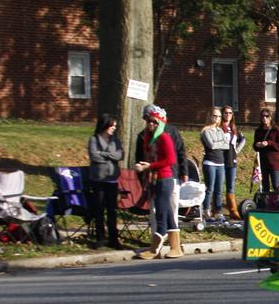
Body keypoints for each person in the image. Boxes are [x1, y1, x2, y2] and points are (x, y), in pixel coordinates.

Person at [134, 107, 187, 258]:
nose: (150, 124)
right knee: (169, 214)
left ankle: (154, 249)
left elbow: (171, 160)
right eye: (148, 121)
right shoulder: (148, 138)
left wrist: (149, 166)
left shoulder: (164, 137)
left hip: (165, 179)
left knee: (161, 214)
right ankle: (176, 248)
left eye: (153, 121)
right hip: (153, 179)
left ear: (160, 123)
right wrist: (143, 167)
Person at [86, 113, 124, 249]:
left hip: (112, 180)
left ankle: (114, 238)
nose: (114, 128)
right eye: (112, 126)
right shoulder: (94, 140)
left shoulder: (115, 140)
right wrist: (110, 157)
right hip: (99, 179)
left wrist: (104, 154)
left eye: (115, 126)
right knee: (99, 209)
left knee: (112, 210)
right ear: (105, 125)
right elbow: (94, 156)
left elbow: (120, 155)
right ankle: (100, 237)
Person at [200, 107, 230, 221]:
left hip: (220, 163)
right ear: (210, 116)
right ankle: (206, 210)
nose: (217, 118)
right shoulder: (205, 131)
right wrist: (220, 142)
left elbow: (227, 146)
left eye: (219, 116)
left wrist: (219, 143)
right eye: (215, 116)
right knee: (210, 188)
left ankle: (217, 211)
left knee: (219, 189)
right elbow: (210, 145)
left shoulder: (220, 130)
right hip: (210, 162)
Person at [222, 105, 246, 219]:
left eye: (230, 113)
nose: (228, 115)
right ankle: (216, 210)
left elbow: (243, 140)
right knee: (219, 186)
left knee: (230, 186)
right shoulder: (219, 127)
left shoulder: (234, 128)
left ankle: (233, 210)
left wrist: (236, 150)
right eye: (226, 113)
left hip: (232, 159)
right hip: (221, 159)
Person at [253, 108, 279, 193]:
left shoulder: (276, 130)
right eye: (263, 116)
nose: (264, 118)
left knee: (276, 185)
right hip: (263, 162)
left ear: (271, 118)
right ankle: (266, 203)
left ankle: (278, 202)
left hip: (274, 163)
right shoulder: (258, 131)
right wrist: (257, 145)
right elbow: (255, 146)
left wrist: (269, 143)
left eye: (267, 116)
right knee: (265, 185)